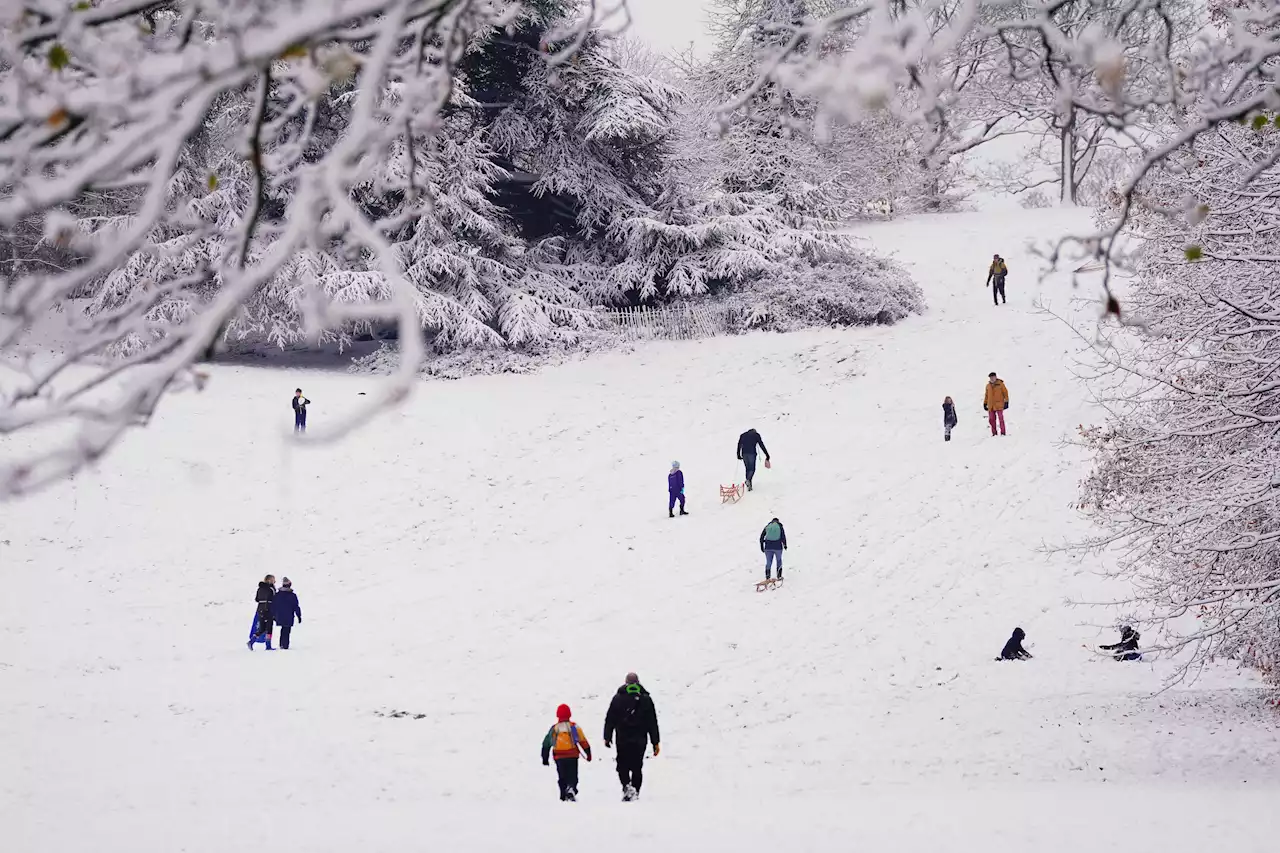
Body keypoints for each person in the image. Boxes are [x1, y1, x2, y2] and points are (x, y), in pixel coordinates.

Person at [603, 672, 660, 802]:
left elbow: (610, 719)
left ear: (626, 683)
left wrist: (607, 736)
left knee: (622, 764)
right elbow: (652, 722)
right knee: (637, 766)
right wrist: (655, 742)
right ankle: (635, 789)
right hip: (640, 740)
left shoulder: (618, 698)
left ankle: (627, 786)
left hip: (622, 739)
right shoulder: (646, 699)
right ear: (638, 683)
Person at [541, 703, 592, 802]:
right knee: (572, 775)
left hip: (559, 756)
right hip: (572, 755)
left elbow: (546, 743)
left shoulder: (555, 728)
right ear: (569, 714)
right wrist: (588, 753)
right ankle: (571, 788)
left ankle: (563, 794)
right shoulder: (574, 727)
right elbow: (582, 740)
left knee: (562, 775)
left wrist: (545, 758)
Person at [271, 577, 302, 650]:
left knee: (283, 629)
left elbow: (273, 605)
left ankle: (282, 644)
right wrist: (299, 615)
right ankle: (285, 644)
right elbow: (296, 606)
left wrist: (273, 615)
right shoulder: (292, 595)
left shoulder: (277, 595)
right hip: (289, 615)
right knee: (287, 629)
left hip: (279, 615)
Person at [248, 574, 276, 650]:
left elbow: (257, 599)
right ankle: (268, 645)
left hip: (260, 609)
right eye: (273, 580)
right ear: (269, 580)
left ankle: (252, 641)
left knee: (262, 628)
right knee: (269, 627)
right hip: (268, 609)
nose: (274, 581)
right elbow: (274, 599)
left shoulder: (260, 589)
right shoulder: (271, 589)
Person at [983, 372, 1009, 437]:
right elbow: (986, 395)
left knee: (1001, 419)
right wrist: (985, 403)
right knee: (991, 420)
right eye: (991, 378)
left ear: (995, 377)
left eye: (993, 377)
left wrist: (1006, 401)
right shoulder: (988, 386)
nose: (992, 379)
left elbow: (1005, 393)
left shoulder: (1000, 384)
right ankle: (994, 433)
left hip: (999, 405)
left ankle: (1003, 433)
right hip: (991, 405)